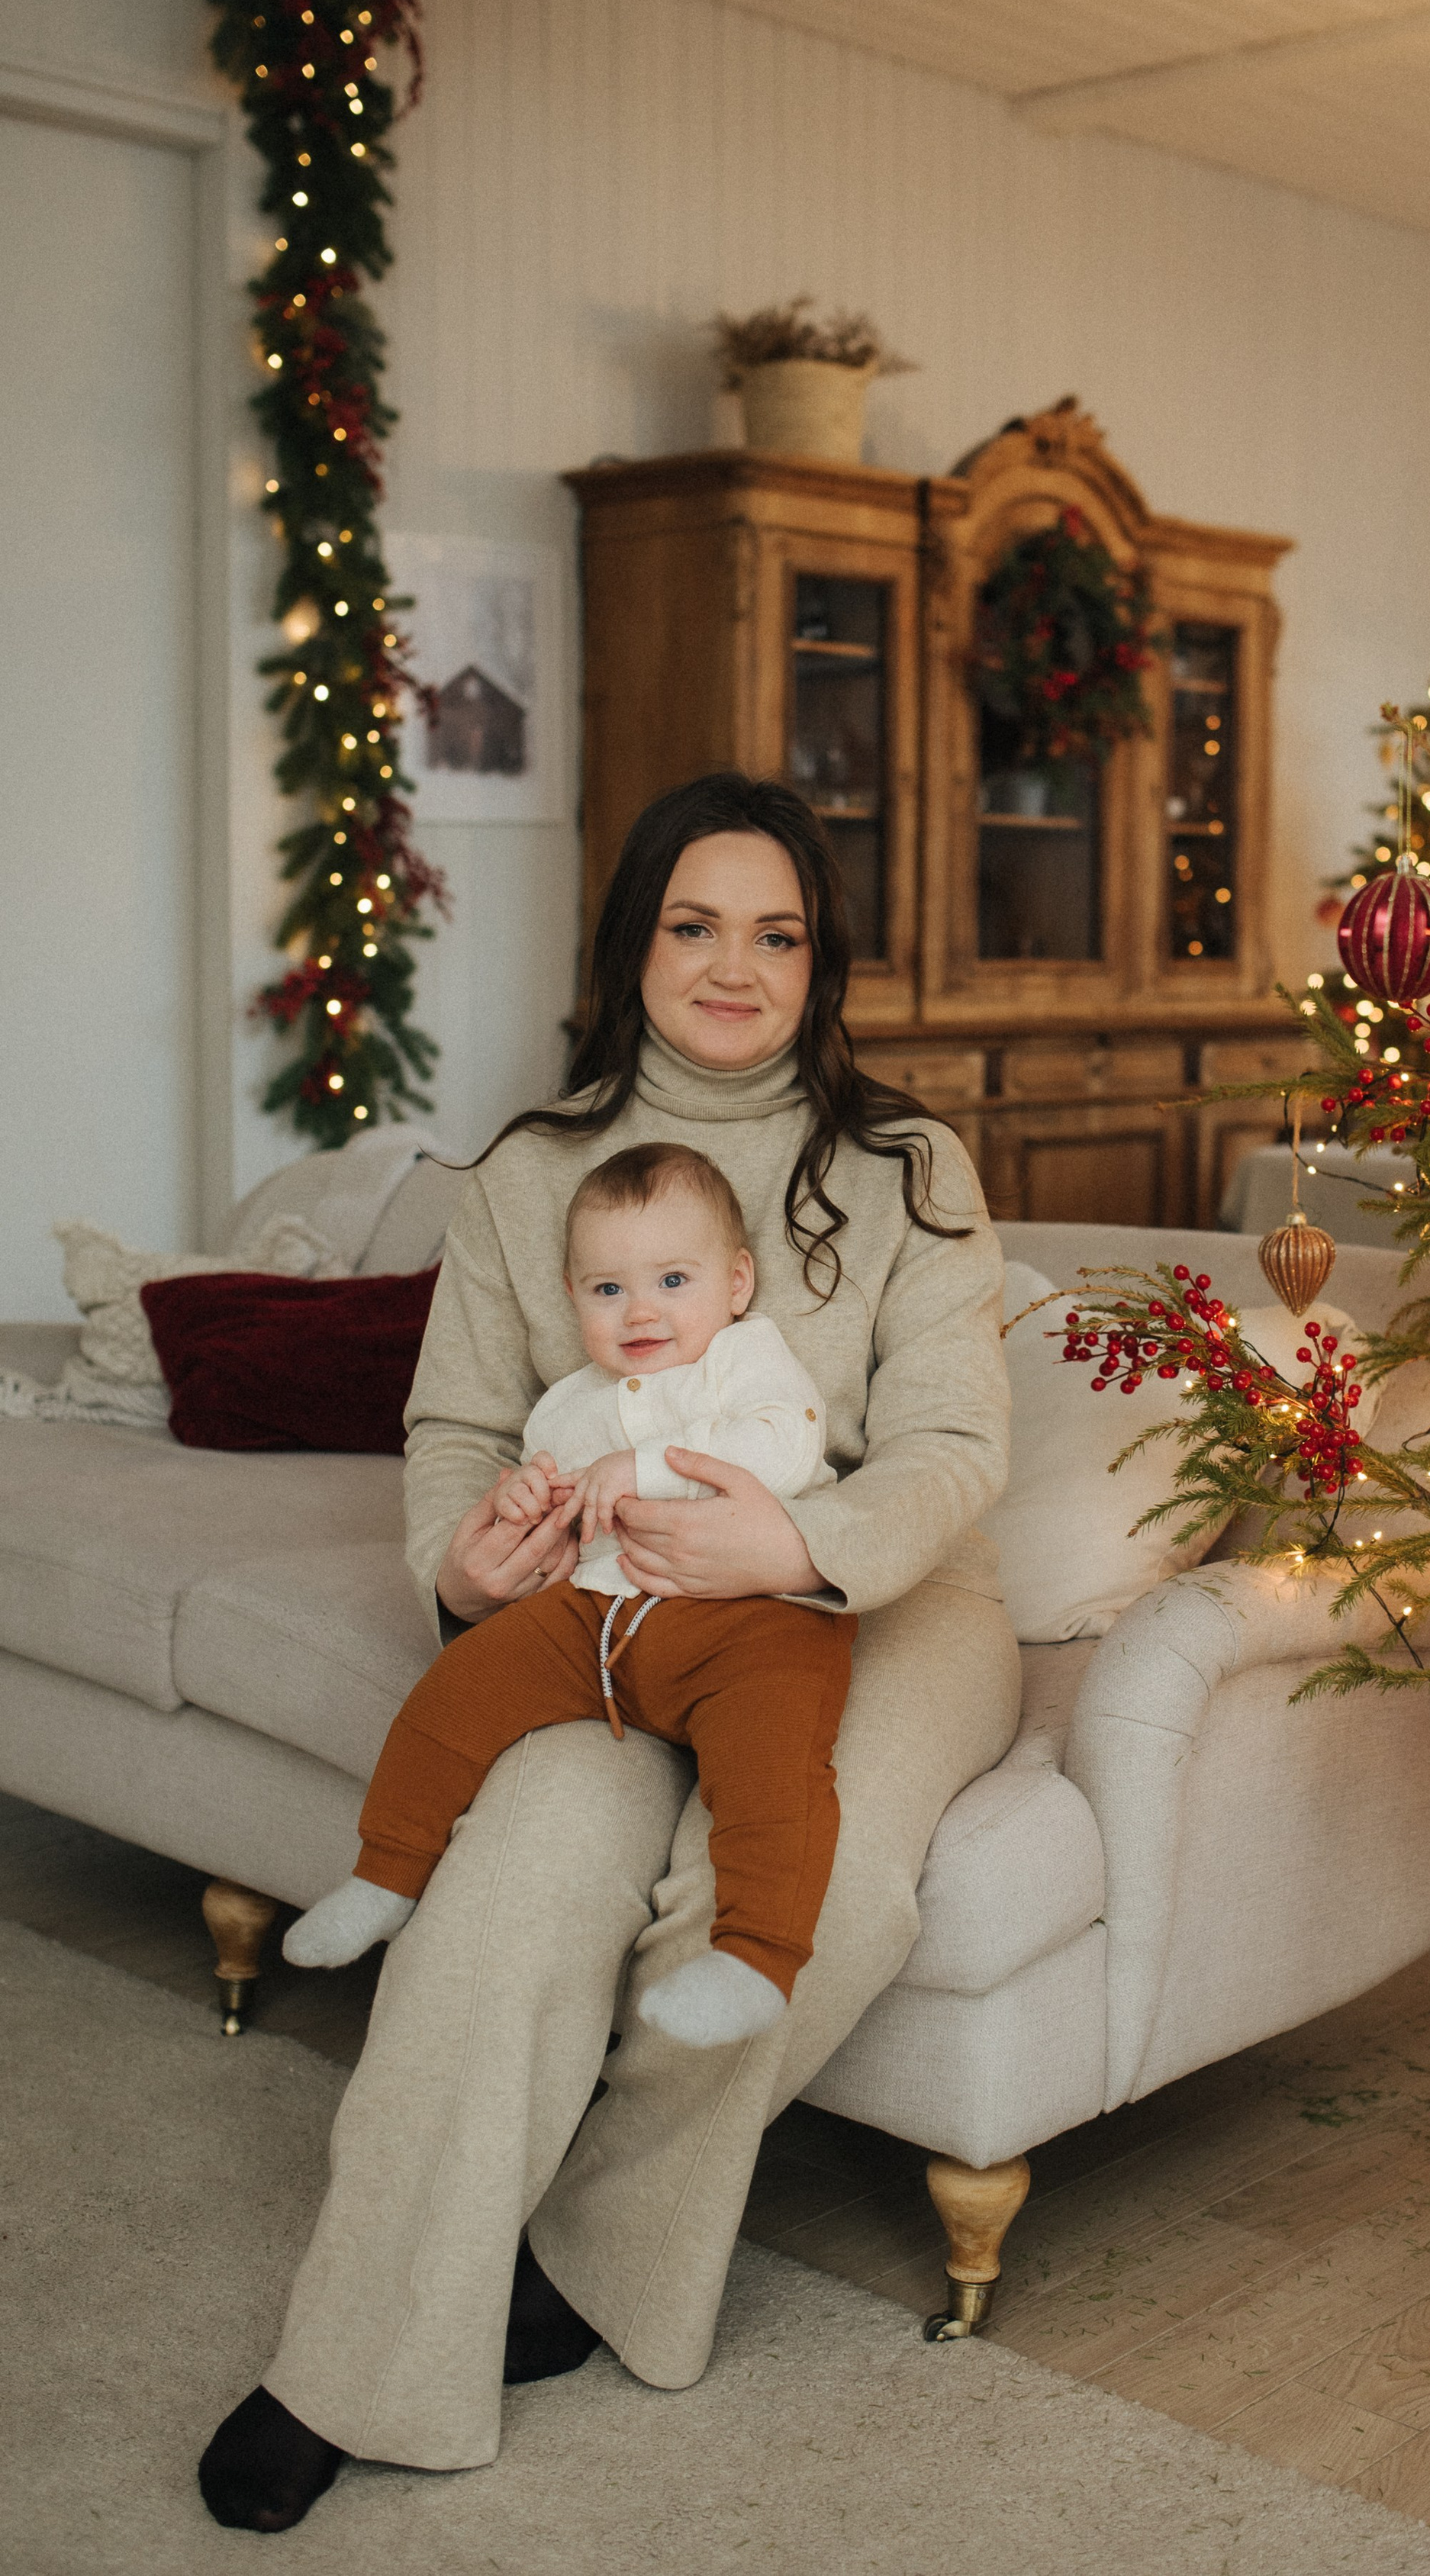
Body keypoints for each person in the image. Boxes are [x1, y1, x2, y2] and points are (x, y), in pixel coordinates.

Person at [198, 771, 1016, 2533]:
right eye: (693, 923)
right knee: (526, 1869)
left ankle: (573, 2252)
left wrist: (795, 1538)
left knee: (830, 1886)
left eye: (777, 931)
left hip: (877, 1594)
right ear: (629, 940)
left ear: (824, 960)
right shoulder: (521, 1177)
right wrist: (468, 1557)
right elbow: (451, 1434)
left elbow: (952, 1446)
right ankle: (348, 2357)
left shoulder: (905, 1166)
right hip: (610, 1601)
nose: (734, 964)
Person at [282, 1138, 852, 2051]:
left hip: (751, 1620)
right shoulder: (567, 1405)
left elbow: (785, 1446)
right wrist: (517, 1502)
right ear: (571, 1294)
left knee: (774, 1769)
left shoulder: (748, 1360)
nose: (641, 1312)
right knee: (458, 1691)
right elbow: (540, 1491)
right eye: (607, 1289)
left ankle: (755, 1958)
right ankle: (385, 1875)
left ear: (736, 1283)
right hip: (598, 1619)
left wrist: (647, 1465)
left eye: (673, 1280)